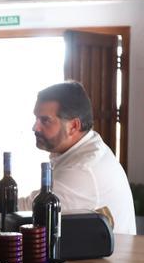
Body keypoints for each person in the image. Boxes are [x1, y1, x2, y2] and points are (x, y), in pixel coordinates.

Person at [21, 81, 136, 234]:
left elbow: (23, 215)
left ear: (74, 126)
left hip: (108, 258)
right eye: (36, 118)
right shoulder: (87, 146)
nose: (35, 127)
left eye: (45, 120)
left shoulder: (83, 169)